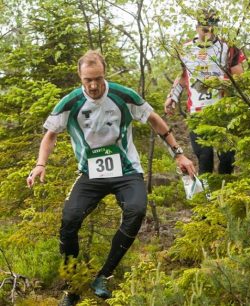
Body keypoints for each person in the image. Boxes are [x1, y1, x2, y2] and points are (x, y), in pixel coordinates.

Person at [26, 50, 195, 306]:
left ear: (104, 73)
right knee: (69, 219)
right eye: (87, 80)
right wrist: (40, 164)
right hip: (91, 174)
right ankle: (73, 286)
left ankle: (103, 276)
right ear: (80, 77)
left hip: (126, 171)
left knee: (137, 211)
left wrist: (179, 154)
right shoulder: (70, 103)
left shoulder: (123, 95)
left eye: (98, 79)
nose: (93, 86)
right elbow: (50, 135)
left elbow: (154, 120)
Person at [164, 9, 246, 174]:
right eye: (204, 29)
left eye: (211, 29)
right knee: (204, 157)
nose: (207, 33)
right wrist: (172, 97)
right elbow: (183, 76)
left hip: (223, 112)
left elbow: (241, 80)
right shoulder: (186, 49)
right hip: (198, 112)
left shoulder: (227, 48)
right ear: (196, 26)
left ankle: (225, 195)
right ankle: (206, 197)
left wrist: (219, 82)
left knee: (227, 158)